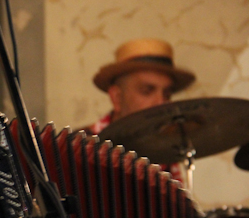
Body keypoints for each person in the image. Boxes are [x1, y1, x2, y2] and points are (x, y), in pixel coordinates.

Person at [81, 38, 196, 179]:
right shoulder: (80, 149)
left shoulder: (169, 154)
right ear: (117, 97)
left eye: (167, 94)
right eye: (147, 91)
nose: (161, 103)